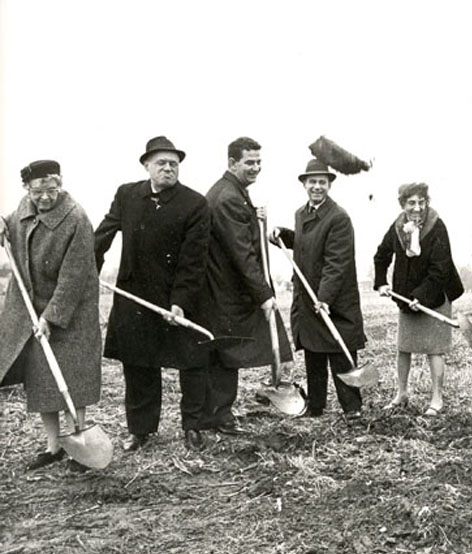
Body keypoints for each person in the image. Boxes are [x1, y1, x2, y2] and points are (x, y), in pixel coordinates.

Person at [94, 136, 210, 451]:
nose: (168, 168)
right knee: (138, 363)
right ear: (147, 166)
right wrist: (89, 267)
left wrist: (180, 303)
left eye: (174, 163)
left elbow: (193, 260)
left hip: (179, 298)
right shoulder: (127, 195)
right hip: (135, 295)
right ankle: (141, 431)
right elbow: (103, 234)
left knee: (191, 362)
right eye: (161, 163)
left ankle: (192, 426)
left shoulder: (195, 203)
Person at [0, 160, 101, 471]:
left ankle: (79, 440)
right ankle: (53, 446)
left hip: (72, 311)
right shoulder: (23, 211)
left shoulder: (76, 218)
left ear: (61, 184)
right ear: (28, 189)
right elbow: (9, 224)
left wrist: (51, 317)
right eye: (38, 191)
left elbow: (74, 277)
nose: (45, 197)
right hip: (31, 305)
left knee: (73, 377)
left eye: (52, 189)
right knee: (43, 380)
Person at [201, 137, 293, 434]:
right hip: (226, 291)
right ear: (231, 163)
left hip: (223, 289)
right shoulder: (228, 197)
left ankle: (217, 413)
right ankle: (220, 416)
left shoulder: (232, 193)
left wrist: (258, 221)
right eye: (249, 162)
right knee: (227, 353)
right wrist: (264, 294)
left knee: (224, 353)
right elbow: (242, 254)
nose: (256, 168)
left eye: (258, 162)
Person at [271, 159, 366, 420]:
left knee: (340, 353)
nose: (317, 187)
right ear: (304, 184)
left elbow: (336, 264)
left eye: (322, 182)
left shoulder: (339, 218)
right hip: (308, 296)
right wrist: (284, 235)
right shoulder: (302, 214)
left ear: (329, 185)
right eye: (312, 182)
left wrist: (324, 298)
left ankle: (352, 409)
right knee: (314, 353)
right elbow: (305, 243)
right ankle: (316, 406)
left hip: (333, 299)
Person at [374, 182, 464, 416]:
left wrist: (420, 296)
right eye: (411, 203)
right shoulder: (397, 227)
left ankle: (437, 399)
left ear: (427, 202)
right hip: (407, 297)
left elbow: (440, 270)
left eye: (421, 202)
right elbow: (381, 255)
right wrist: (381, 281)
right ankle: (401, 393)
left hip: (435, 295)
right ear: (402, 204)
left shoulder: (437, 226)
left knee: (434, 349)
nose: (417, 208)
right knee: (404, 347)